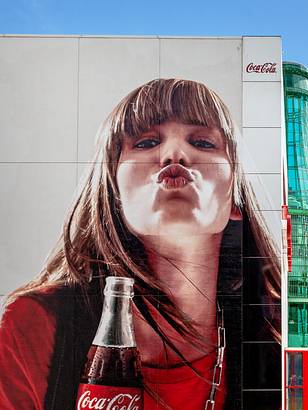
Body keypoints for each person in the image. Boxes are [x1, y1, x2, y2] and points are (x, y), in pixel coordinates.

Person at [0, 79, 281, 409]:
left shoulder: (276, 330)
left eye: (204, 143)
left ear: (235, 200)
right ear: (113, 191)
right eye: (146, 142)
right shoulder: (34, 326)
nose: (174, 154)